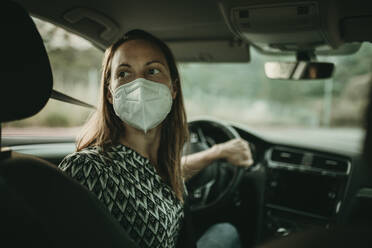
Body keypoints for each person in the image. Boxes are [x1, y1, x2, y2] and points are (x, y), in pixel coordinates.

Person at [58, 29, 253, 248]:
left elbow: (163, 177)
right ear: (111, 94)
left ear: (173, 88)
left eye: (152, 70)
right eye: (124, 73)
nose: (139, 84)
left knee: (225, 231)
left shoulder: (160, 166)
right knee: (227, 232)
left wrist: (218, 152)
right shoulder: (87, 167)